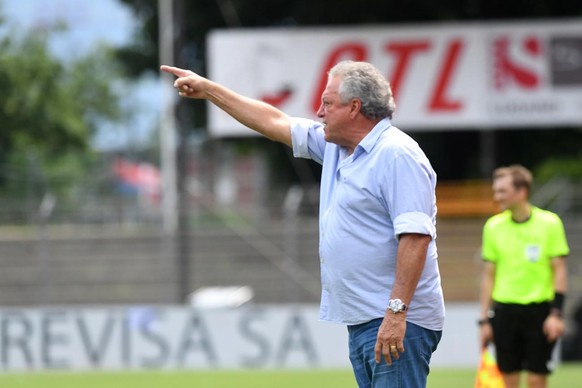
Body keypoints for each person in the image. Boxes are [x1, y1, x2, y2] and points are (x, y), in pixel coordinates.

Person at [161, 60, 445, 387]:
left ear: (354, 107)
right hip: (366, 319)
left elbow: (416, 237)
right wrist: (209, 90)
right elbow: (274, 120)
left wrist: (396, 313)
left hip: (396, 320)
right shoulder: (339, 148)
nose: (320, 112)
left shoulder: (397, 154)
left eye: (327, 103)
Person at [478, 165, 570, 388]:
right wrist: (484, 321)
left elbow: (559, 270)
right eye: (495, 190)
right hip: (504, 312)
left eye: (502, 191)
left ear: (521, 192)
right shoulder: (493, 226)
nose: (496, 196)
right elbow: (489, 276)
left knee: (537, 378)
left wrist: (556, 314)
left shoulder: (550, 223)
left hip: (539, 312)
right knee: (508, 378)